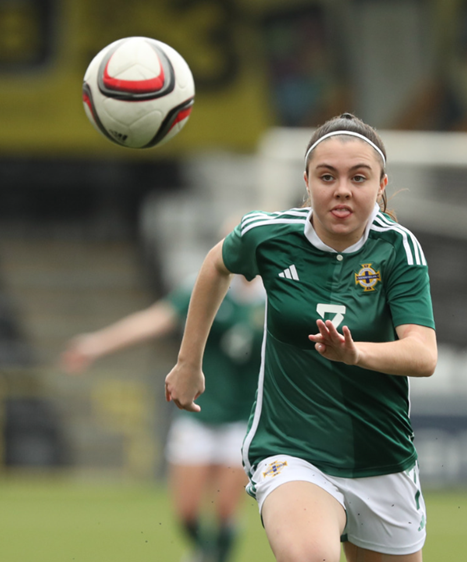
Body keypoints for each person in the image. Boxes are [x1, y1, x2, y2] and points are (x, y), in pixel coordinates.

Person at [165, 113, 437, 562]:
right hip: (291, 450)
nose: (342, 189)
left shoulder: (398, 249)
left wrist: (355, 354)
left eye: (359, 176)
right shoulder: (267, 235)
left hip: (382, 459)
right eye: (327, 176)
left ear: (382, 184)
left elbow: (423, 355)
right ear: (306, 181)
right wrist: (188, 362)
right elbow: (216, 265)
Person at [61, 271, 265, 562]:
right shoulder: (207, 288)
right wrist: (96, 345)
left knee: (224, 512)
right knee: (187, 512)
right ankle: (205, 553)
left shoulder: (270, 298)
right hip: (197, 415)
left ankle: (215, 557)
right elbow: (156, 319)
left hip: (242, 421)